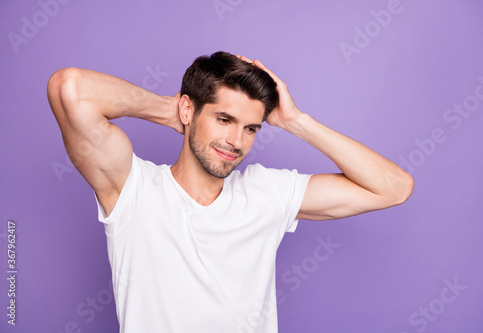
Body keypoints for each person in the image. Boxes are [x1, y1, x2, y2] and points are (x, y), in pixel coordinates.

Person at [47, 51, 414, 333]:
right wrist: (170, 110)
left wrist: (295, 122)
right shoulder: (131, 189)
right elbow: (71, 88)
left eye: (251, 128)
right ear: (190, 109)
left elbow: (393, 188)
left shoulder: (266, 192)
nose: (236, 142)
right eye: (224, 120)